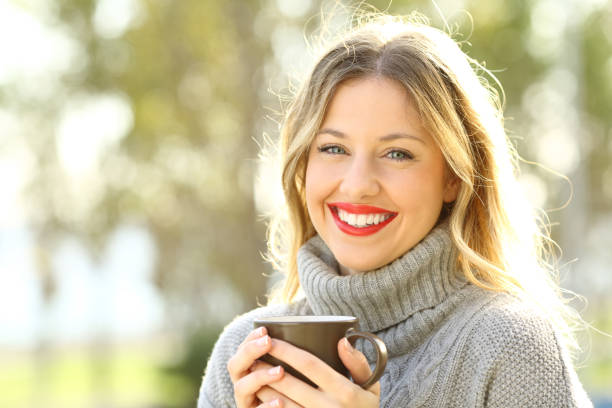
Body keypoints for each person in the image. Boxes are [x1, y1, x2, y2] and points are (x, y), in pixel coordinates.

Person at [197, 9, 593, 408]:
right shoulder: (242, 350)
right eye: (333, 148)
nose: (357, 184)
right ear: (303, 165)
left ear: (453, 177)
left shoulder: (511, 345)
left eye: (398, 153)